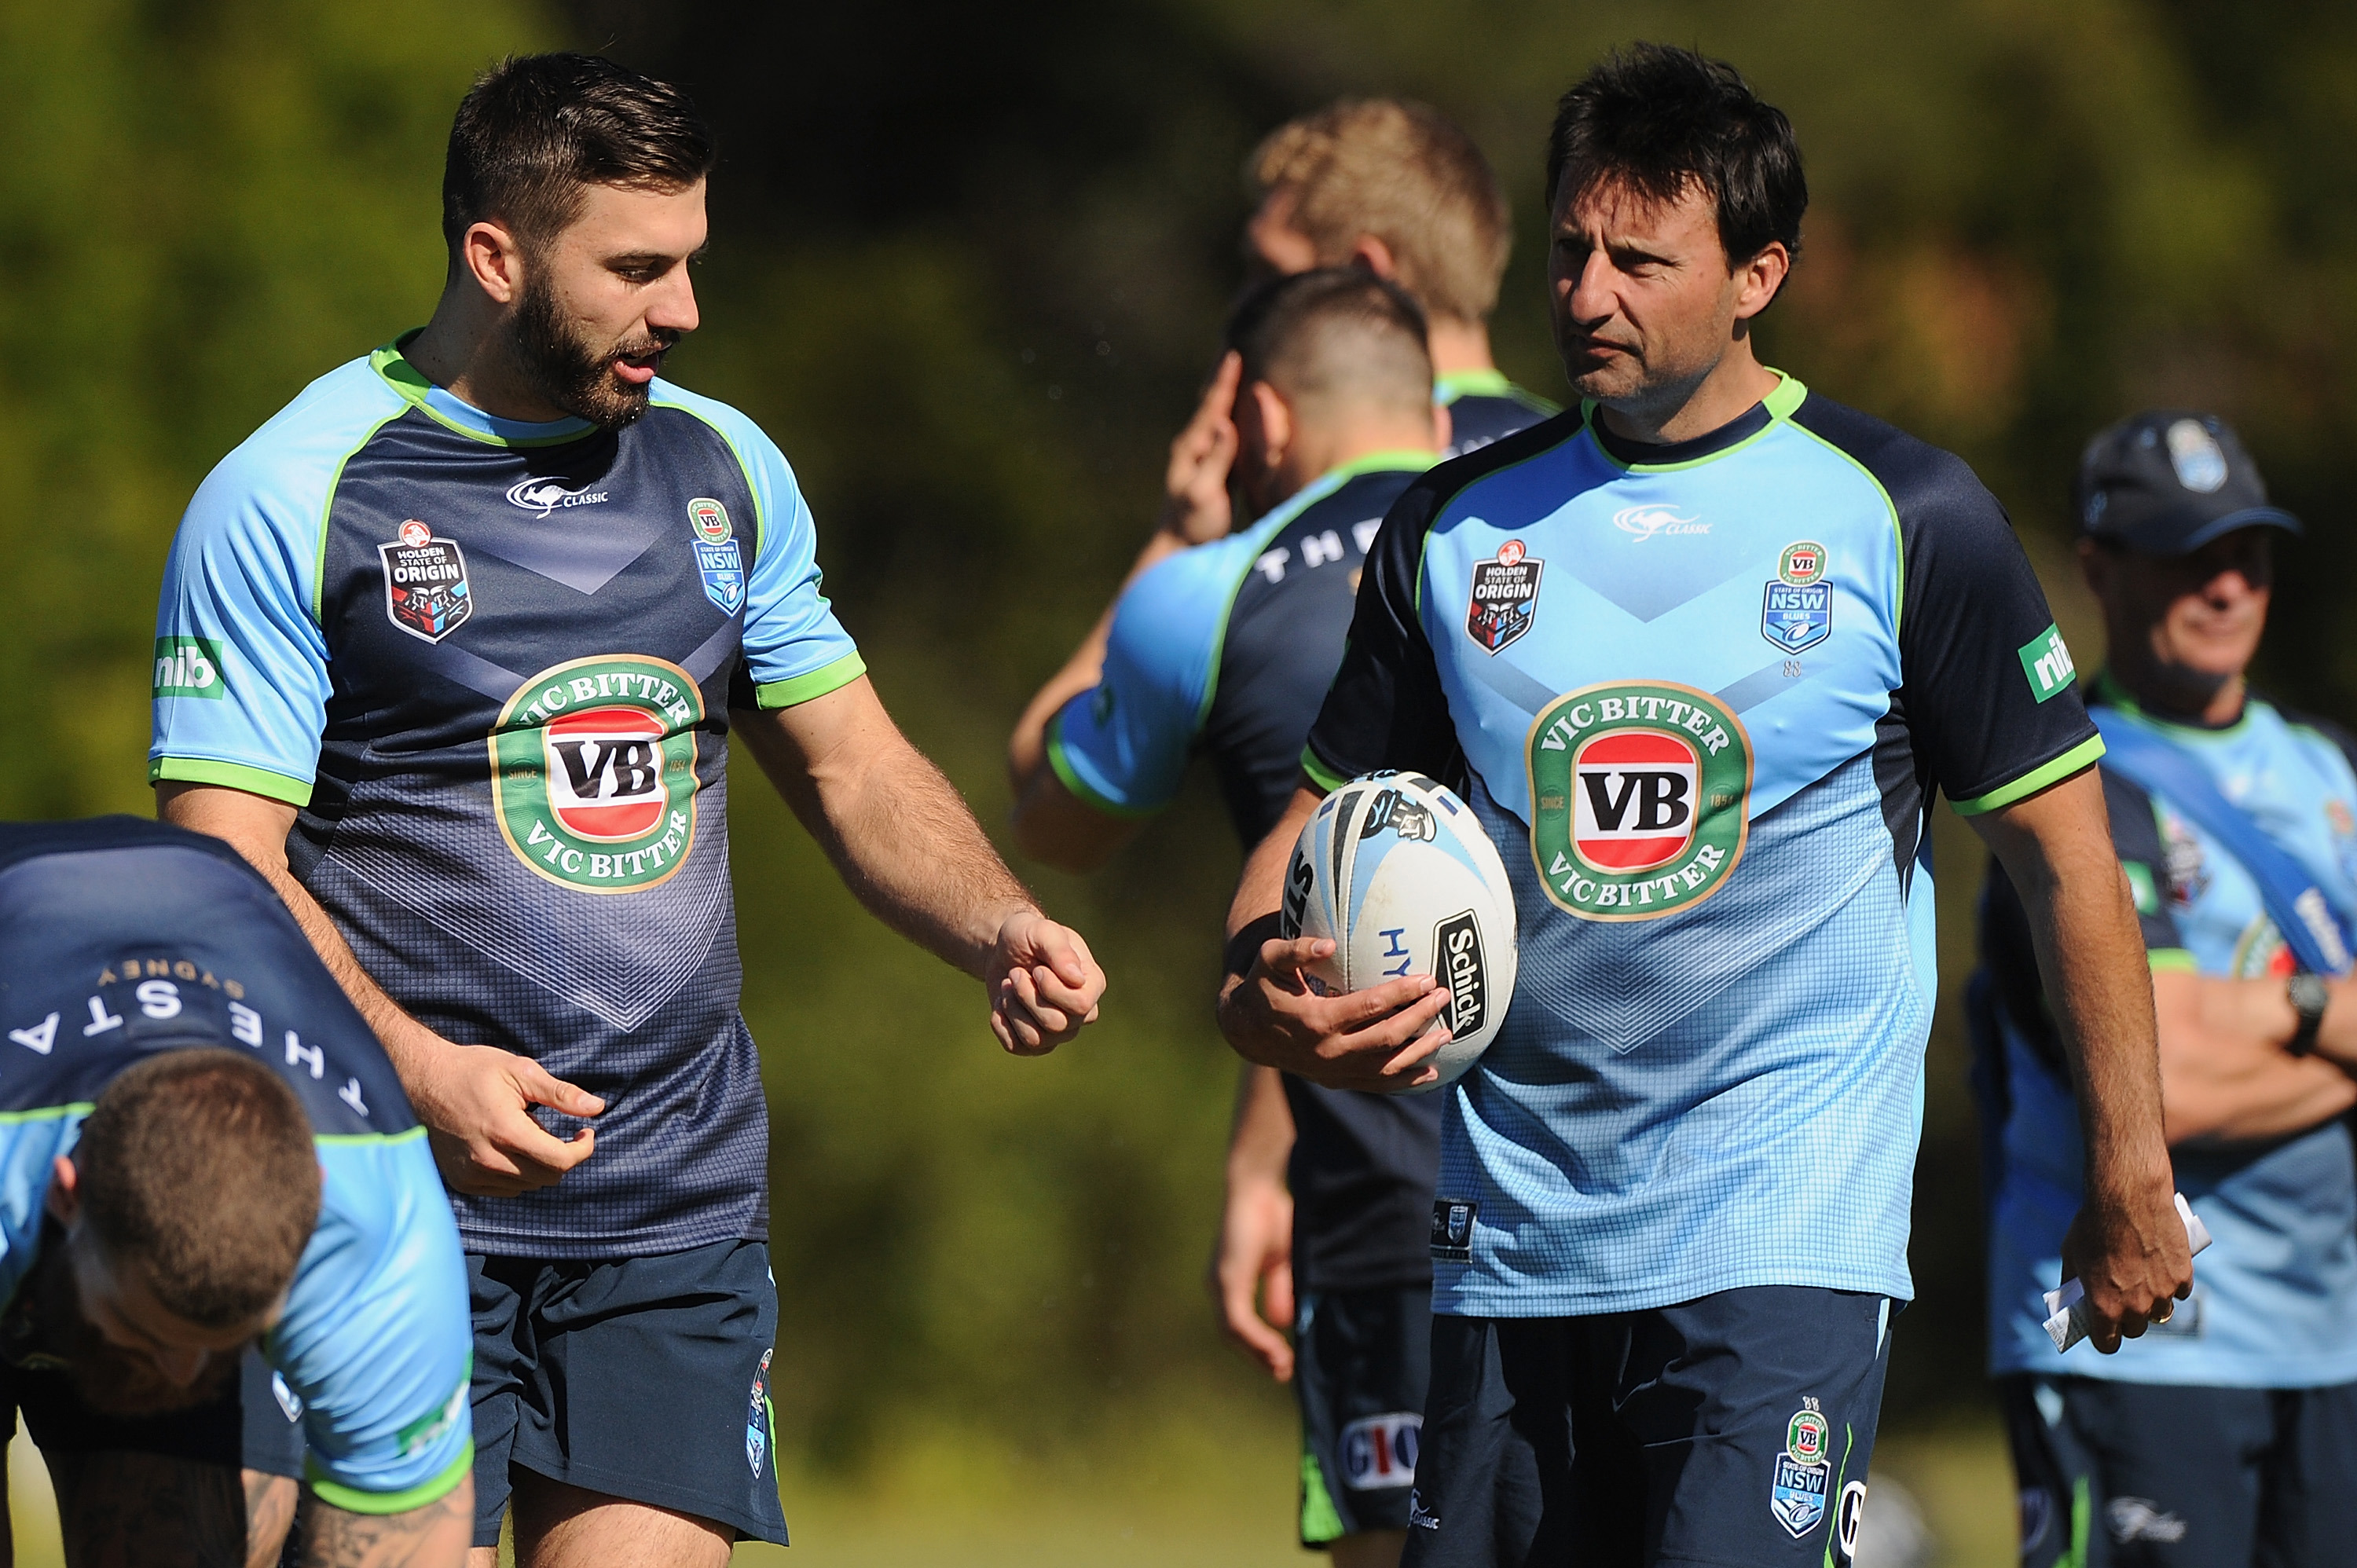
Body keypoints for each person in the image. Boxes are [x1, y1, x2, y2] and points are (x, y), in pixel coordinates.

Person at [1214, 44, 2193, 1567]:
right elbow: (1314, 832)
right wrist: (1258, 989)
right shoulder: (1454, 526)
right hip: (1511, 1241)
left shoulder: (1900, 515)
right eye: (1569, 250)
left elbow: (2068, 860)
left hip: (1778, 1234)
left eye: (1639, 259)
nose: (1587, 292)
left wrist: (2134, 1173)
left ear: (1758, 274)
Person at [145, 53, 1106, 1568]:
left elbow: (852, 764)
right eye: (637, 269)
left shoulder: (726, 471)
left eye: (691, 263)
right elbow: (218, 862)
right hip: (393, 1190)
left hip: (673, 1201)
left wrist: (998, 923)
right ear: (496, 257)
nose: (685, 310)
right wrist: (414, 1071)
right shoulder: (292, 491)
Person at [1010, 269, 1450, 1566]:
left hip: (1386, 1209)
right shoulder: (1540, 532)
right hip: (1623, 1187)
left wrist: (1169, 536)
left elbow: (1052, 808)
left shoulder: (1210, 590)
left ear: (1252, 417)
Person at [1975, 412, 2357, 1567]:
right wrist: (2325, 1013)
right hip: (2137, 1349)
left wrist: (2236, 1025)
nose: (2228, 584)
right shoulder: (2063, 800)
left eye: (2247, 551)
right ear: (2099, 567)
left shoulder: (2331, 767)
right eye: (2187, 553)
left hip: (2331, 1349)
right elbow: (2168, 1082)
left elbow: (2192, 1036)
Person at [0, 815, 473, 1567]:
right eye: (151, 1331)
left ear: (311, 1207)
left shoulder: (377, 1233)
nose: (183, 1378)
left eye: (225, 1341)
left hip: (219, 908)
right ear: (69, 1194)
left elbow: (406, 1545)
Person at [1242, 99, 1556, 460]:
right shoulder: (1579, 461)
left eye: (1271, 275)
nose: (1245, 304)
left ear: (1367, 280)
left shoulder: (1336, 472)